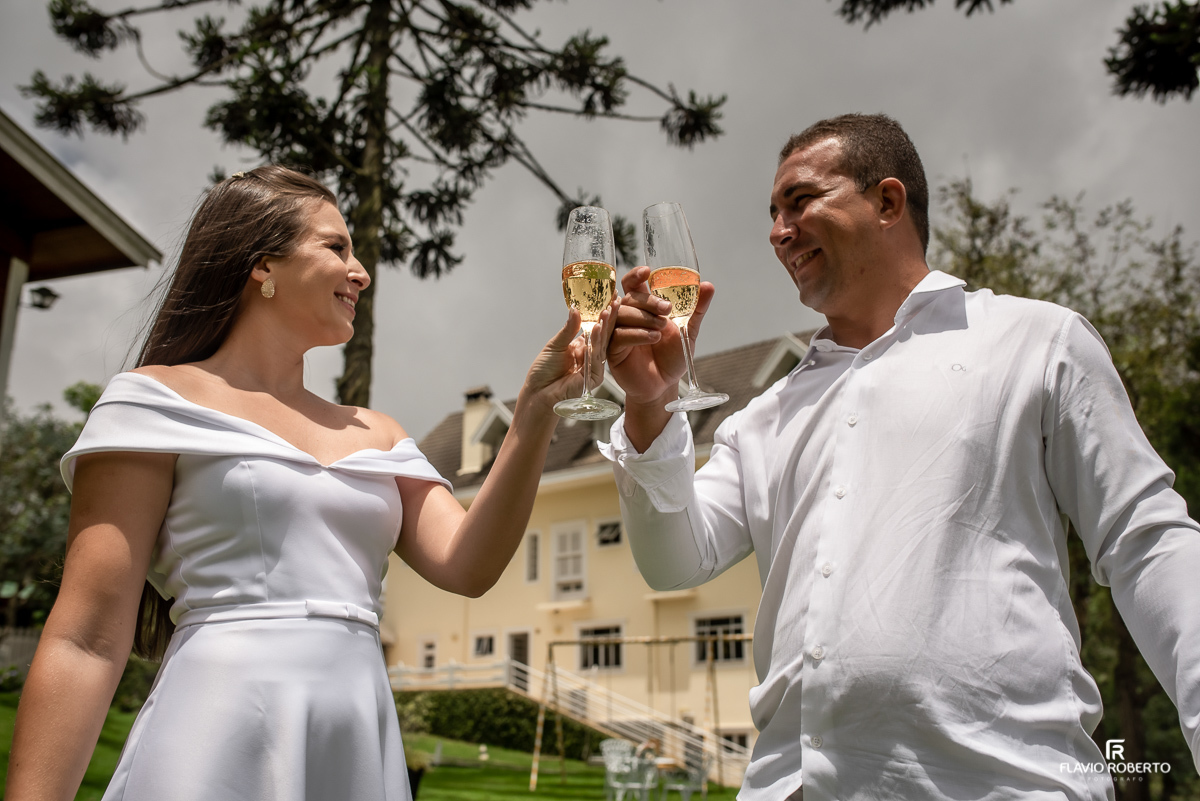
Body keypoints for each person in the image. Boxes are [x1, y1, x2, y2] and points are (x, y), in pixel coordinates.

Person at [600, 114, 1200, 800]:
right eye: (772, 212)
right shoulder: (761, 418)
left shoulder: (1037, 341)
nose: (777, 231)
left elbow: (1146, 541)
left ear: (888, 201)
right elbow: (672, 560)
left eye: (800, 200)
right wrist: (649, 405)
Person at [5, 165, 618, 801]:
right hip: (214, 734)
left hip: (355, 742)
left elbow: (468, 566)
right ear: (261, 266)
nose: (362, 272)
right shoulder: (154, 403)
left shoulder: (378, 434)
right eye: (336, 247)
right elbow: (86, 640)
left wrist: (535, 411)